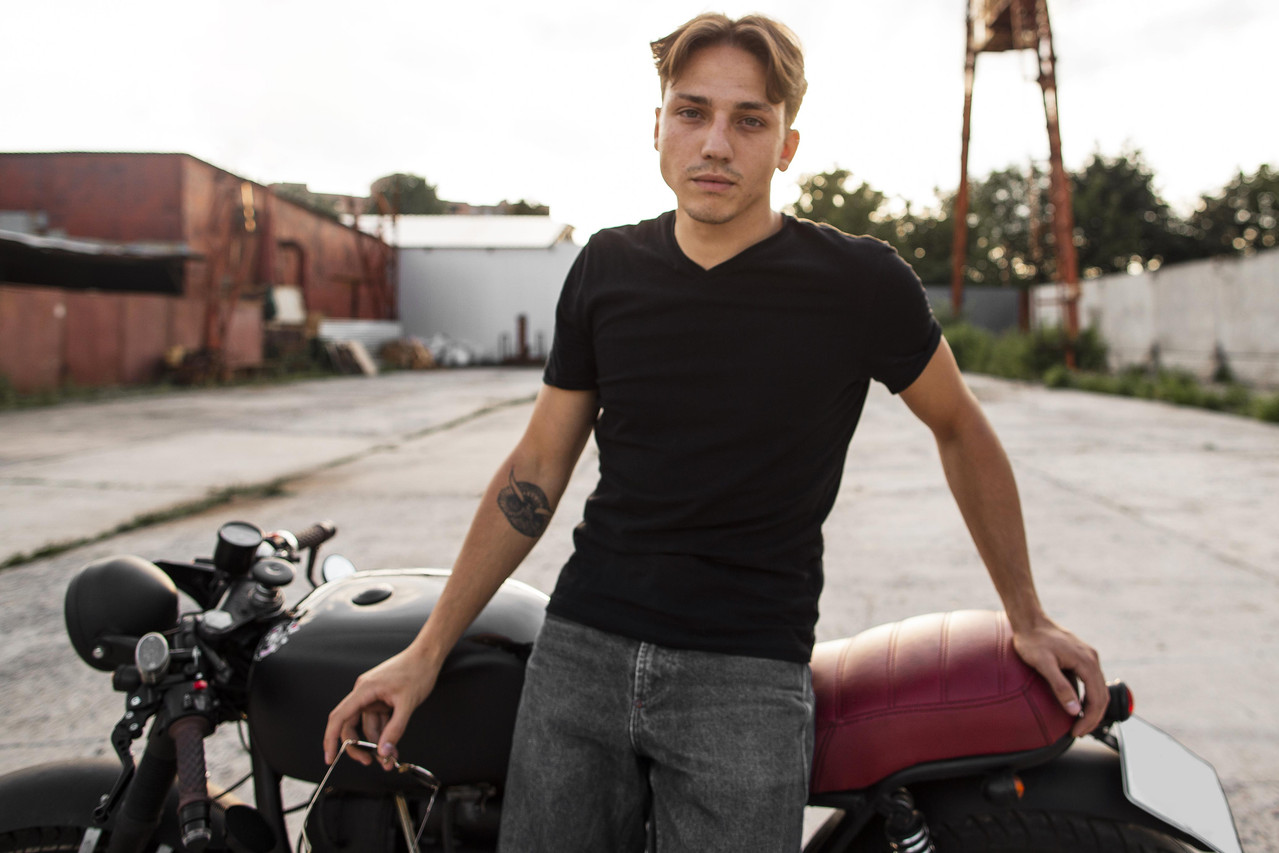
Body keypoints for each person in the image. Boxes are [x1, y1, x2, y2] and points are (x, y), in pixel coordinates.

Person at [324, 12, 1106, 851]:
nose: (715, 144)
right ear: (657, 126)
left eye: (748, 119)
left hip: (745, 677)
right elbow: (539, 465)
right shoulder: (605, 267)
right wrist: (429, 647)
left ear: (786, 145)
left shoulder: (858, 283)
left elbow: (960, 427)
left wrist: (1026, 613)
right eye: (691, 112)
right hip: (581, 654)